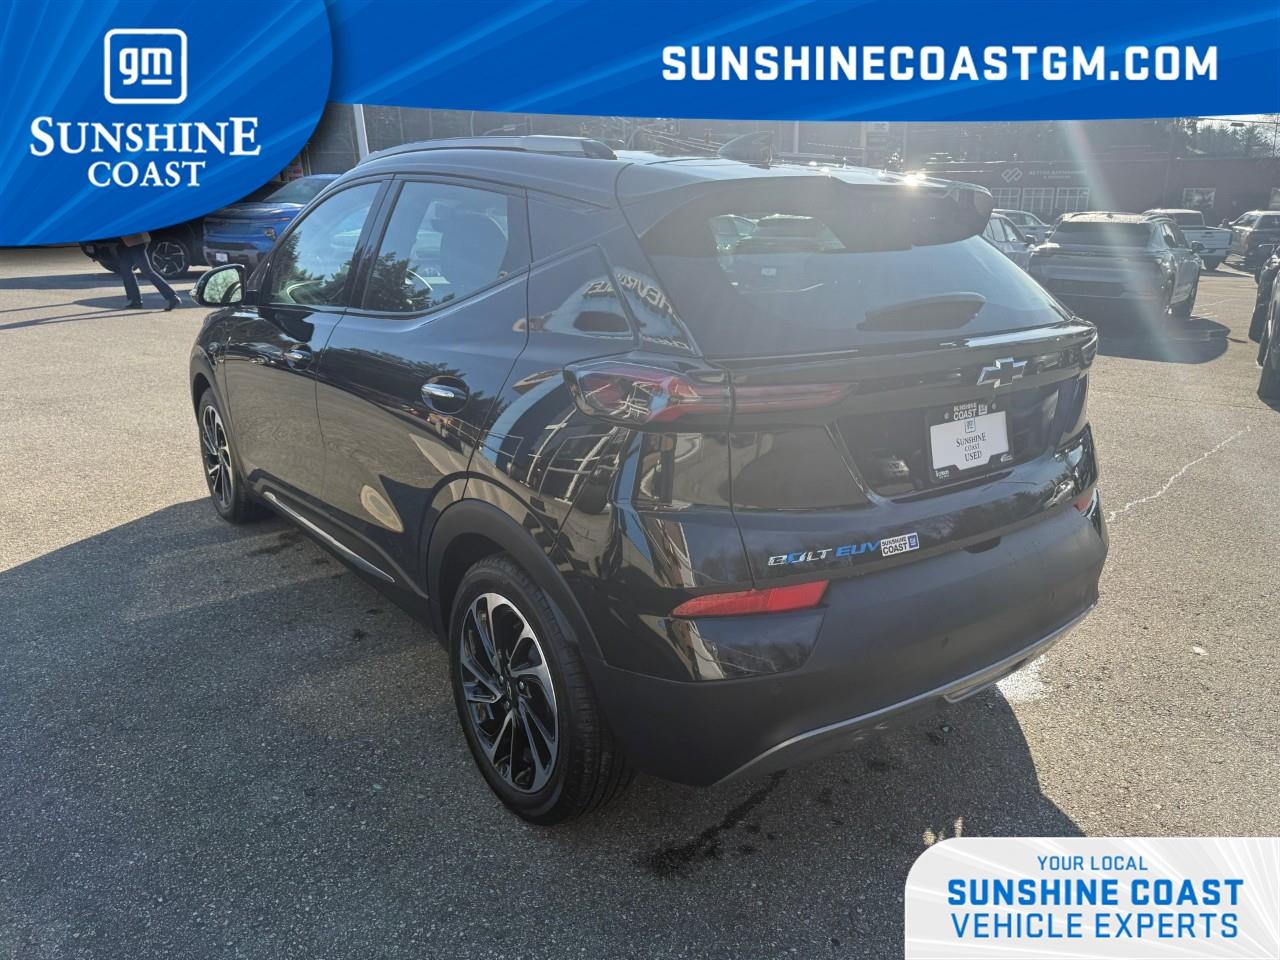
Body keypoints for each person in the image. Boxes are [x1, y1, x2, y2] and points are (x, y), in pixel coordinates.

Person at [115, 232, 181, 310]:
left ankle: (172, 297)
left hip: (136, 241)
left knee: (147, 270)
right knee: (125, 267)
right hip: (129, 242)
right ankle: (135, 300)